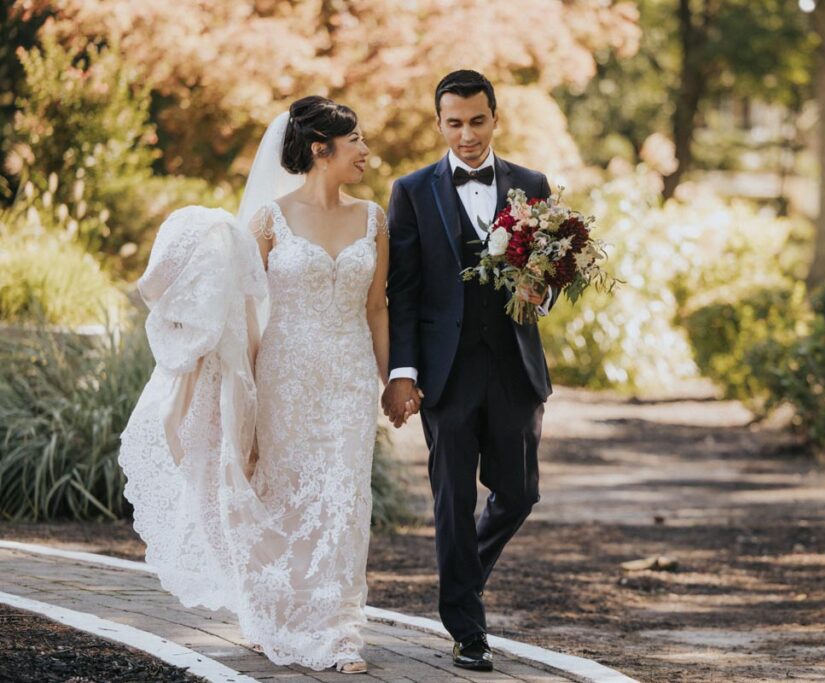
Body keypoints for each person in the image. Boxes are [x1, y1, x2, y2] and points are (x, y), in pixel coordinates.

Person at [120, 96, 403, 674]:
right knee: (279, 488)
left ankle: (338, 630)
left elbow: (377, 308)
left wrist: (391, 379)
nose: (367, 152)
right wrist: (240, 391)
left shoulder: (374, 218)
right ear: (322, 150)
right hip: (284, 374)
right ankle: (273, 612)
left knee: (345, 497)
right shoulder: (268, 219)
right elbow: (246, 312)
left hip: (348, 376)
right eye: (357, 143)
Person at [382, 69, 555, 672]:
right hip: (446, 374)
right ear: (438, 124)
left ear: (495, 118)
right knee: (452, 499)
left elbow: (549, 272)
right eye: (453, 123)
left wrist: (543, 293)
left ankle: (460, 585)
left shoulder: (531, 185)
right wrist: (401, 371)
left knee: (519, 492)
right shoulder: (410, 190)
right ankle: (467, 630)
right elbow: (401, 292)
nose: (466, 135)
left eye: (477, 121)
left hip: (515, 367)